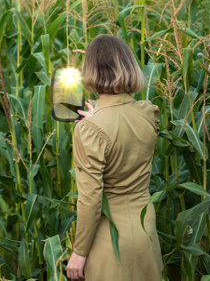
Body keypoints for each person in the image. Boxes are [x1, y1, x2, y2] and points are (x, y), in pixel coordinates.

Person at [66, 35, 163, 280]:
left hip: (110, 241)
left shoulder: (89, 130)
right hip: (145, 231)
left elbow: (90, 199)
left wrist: (79, 252)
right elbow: (122, 130)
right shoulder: (149, 113)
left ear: (90, 71)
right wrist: (97, 120)